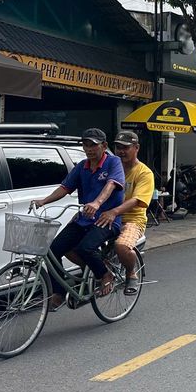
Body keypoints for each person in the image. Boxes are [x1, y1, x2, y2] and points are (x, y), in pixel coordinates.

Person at [31, 128, 125, 309]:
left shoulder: (113, 162)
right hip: (84, 219)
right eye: (86, 145)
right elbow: (65, 188)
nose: (89, 149)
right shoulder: (82, 166)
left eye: (93, 145)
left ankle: (105, 274)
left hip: (107, 219)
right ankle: (58, 292)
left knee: (85, 248)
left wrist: (97, 203)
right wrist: (43, 201)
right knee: (53, 250)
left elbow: (111, 184)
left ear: (104, 146)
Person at [94, 130, 154, 295]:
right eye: (118, 147)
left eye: (125, 147)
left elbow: (137, 200)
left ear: (136, 148)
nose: (121, 151)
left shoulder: (144, 173)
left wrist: (114, 212)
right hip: (106, 217)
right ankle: (101, 273)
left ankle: (131, 273)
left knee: (121, 246)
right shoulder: (111, 168)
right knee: (75, 244)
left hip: (131, 220)